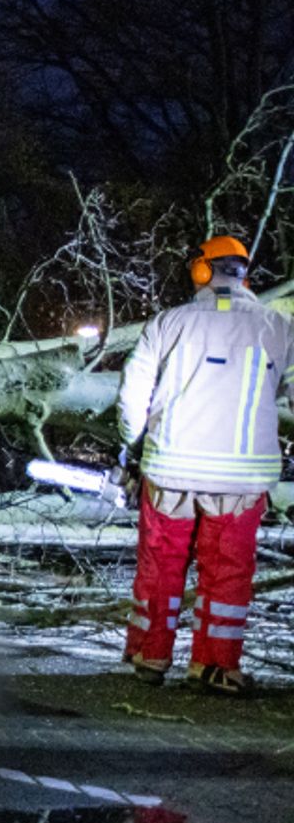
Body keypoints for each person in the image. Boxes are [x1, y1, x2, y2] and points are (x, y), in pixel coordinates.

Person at [117, 236, 291, 695]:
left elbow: (132, 394)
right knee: (228, 572)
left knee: (161, 564)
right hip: (241, 481)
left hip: (171, 470)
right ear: (244, 273)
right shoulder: (278, 327)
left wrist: (133, 446)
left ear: (202, 271)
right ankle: (216, 666)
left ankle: (150, 655)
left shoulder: (169, 323)